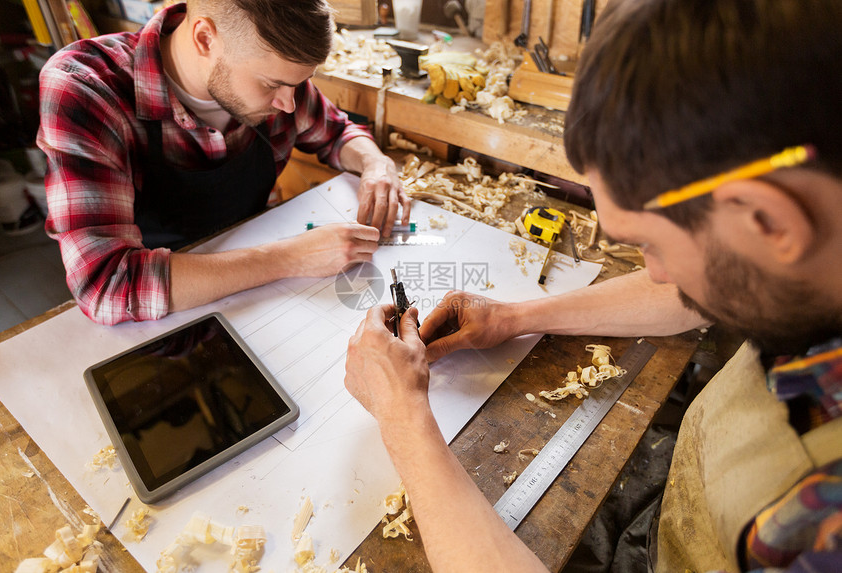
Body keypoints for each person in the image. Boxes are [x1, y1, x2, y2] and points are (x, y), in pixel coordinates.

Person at [344, 0, 842, 571]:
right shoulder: (804, 257)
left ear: (770, 222)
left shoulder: (826, 526)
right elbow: (691, 292)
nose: (653, 272)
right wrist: (513, 318)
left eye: (650, 245)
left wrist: (403, 419)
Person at [36, 0, 409, 325]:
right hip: (163, 322)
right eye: (270, 85)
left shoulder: (279, 76)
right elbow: (106, 284)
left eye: (300, 83)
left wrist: (377, 164)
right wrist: (292, 258)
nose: (289, 104)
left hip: (259, 298)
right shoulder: (85, 88)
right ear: (205, 39)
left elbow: (336, 131)